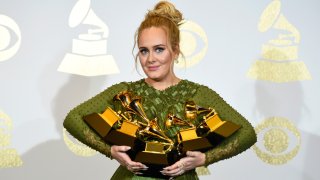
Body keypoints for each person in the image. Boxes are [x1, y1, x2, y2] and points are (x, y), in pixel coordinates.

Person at [63, 1, 257, 179]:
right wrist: (110, 151)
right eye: (144, 50)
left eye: (159, 49)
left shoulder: (198, 94)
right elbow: (73, 118)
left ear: (176, 51)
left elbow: (247, 133)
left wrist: (204, 159)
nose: (150, 59)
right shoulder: (124, 92)